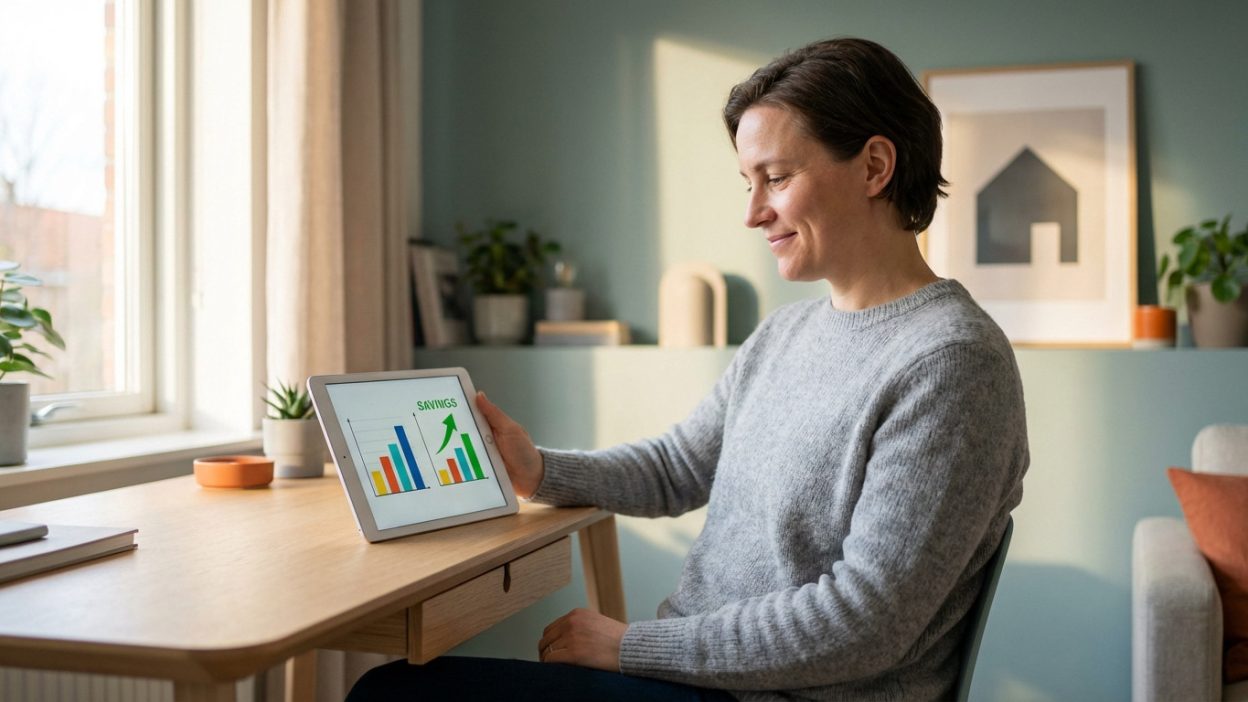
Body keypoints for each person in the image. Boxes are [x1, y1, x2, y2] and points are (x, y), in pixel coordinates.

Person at [348, 36, 1028, 702]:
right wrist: (541, 471)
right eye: (748, 181)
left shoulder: (952, 364)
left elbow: (864, 622)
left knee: (390, 695)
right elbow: (679, 466)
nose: (753, 212)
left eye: (777, 178)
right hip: (696, 679)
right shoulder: (786, 332)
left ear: (875, 166)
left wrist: (627, 648)